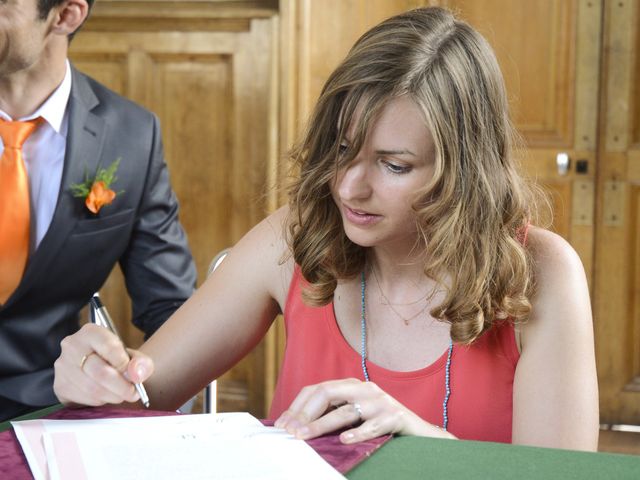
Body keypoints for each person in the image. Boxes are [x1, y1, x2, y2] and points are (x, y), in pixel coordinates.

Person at [53, 7, 599, 450]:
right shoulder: (292, 238)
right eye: (341, 149)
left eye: (394, 165)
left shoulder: (541, 273)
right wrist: (94, 377)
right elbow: (143, 390)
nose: (348, 188)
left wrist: (421, 443)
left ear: (466, 169)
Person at [0, 0, 196, 422]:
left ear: (66, 15)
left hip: (52, 409)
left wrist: (141, 386)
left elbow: (170, 307)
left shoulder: (133, 135)